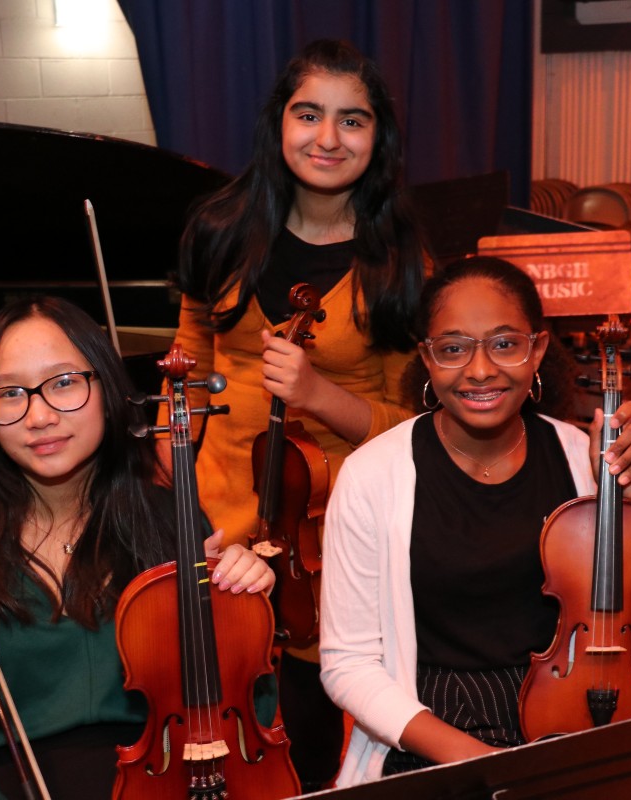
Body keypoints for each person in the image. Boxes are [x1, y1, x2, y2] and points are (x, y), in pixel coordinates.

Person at [160, 39, 427, 791]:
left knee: (310, 717)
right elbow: (186, 371)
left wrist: (318, 398)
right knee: (210, 701)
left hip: (327, 529)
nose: (328, 138)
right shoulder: (218, 228)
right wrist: (169, 487)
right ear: (280, 121)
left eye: (353, 120)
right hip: (218, 512)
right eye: (309, 114)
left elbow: (413, 428)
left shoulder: (400, 259)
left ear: (379, 139)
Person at [0, 296, 275, 800]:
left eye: (64, 382)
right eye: (9, 393)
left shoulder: (172, 524)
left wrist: (237, 606)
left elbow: (251, 719)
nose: (39, 416)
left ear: (106, 388)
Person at [318, 257, 631, 786]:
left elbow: (617, 622)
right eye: (453, 348)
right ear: (426, 357)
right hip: (430, 726)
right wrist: (475, 759)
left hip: (570, 712)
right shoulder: (370, 476)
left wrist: (619, 504)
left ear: (538, 348)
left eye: (504, 343)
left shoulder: (579, 456)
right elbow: (348, 664)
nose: (480, 370)